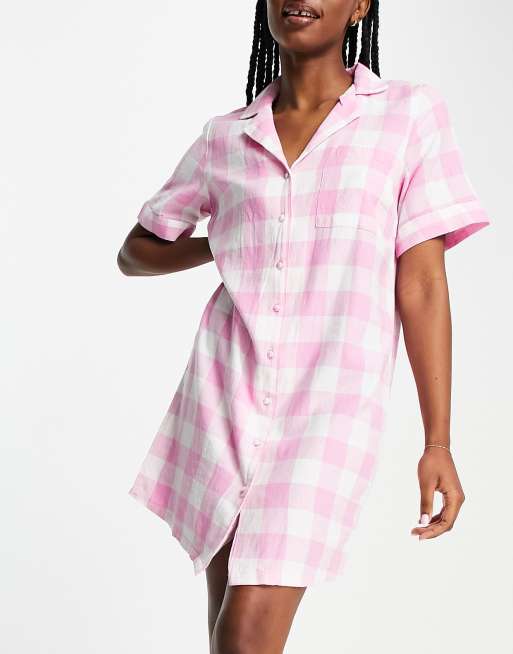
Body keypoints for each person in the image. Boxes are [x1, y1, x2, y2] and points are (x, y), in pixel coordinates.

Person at [117, 1, 492, 652]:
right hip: (223, 398)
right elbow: (136, 251)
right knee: (229, 639)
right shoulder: (227, 137)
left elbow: (423, 282)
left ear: (360, 6)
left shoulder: (406, 114)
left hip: (328, 410)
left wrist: (438, 441)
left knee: (245, 633)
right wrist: (225, 241)